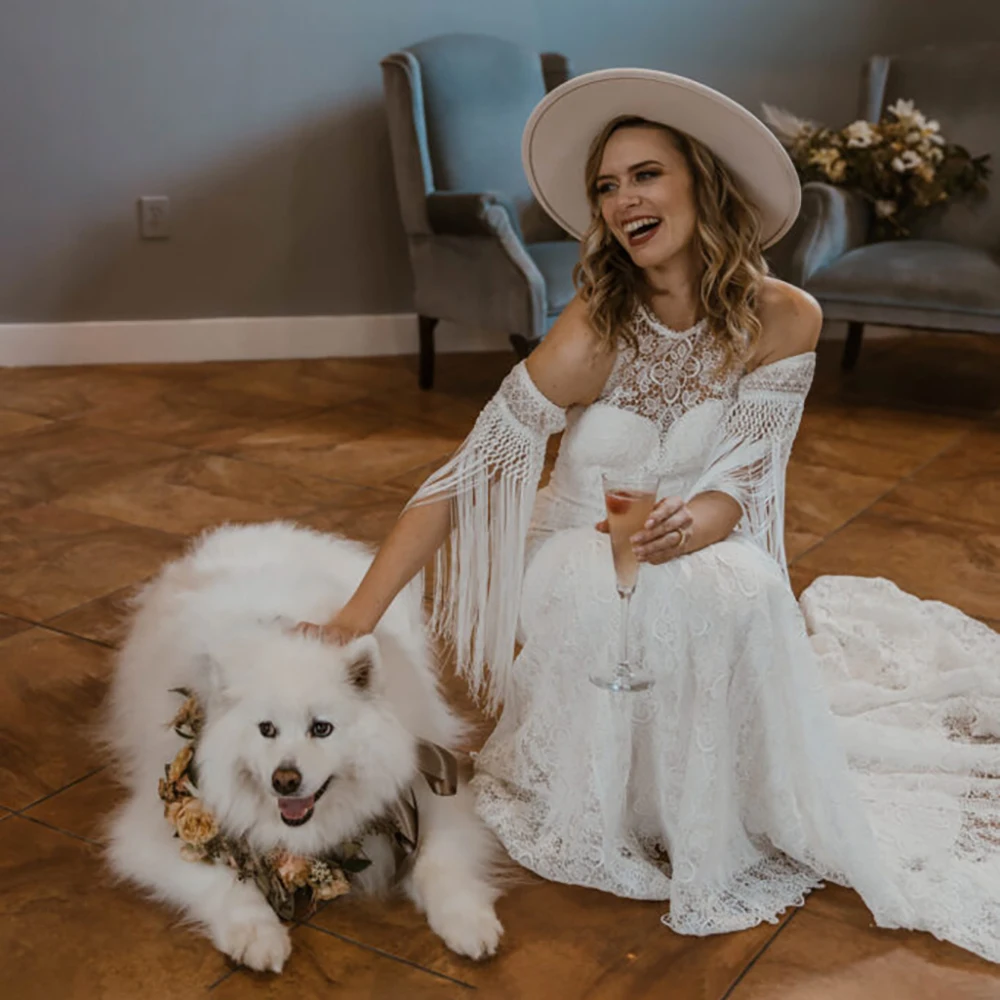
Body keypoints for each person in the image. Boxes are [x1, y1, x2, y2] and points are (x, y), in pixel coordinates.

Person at [300, 69, 1000, 962]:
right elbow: (467, 474)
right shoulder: (594, 329)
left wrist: (701, 521)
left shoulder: (784, 318)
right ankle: (620, 803)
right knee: (622, 598)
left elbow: (746, 475)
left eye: (645, 174)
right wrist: (353, 620)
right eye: (605, 186)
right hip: (577, 546)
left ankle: (702, 806)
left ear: (701, 184)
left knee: (727, 590)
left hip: (708, 539)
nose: (622, 199)